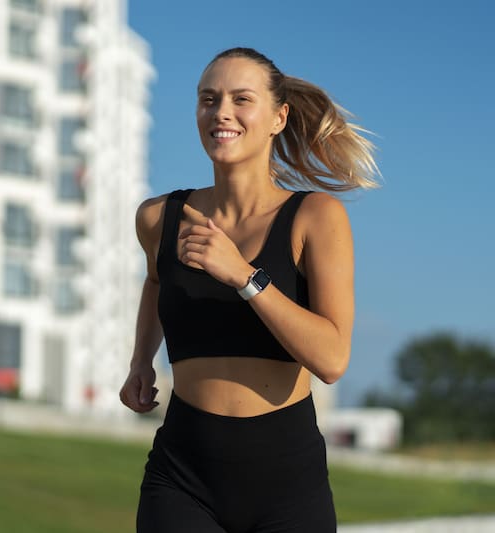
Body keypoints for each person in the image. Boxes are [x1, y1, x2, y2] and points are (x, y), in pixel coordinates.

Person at [119, 47, 380, 533]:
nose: (221, 112)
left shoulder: (315, 218)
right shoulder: (159, 218)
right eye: (208, 99)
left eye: (241, 99)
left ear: (279, 117)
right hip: (182, 475)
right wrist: (140, 360)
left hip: (287, 484)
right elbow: (156, 280)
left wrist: (244, 276)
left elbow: (331, 359)